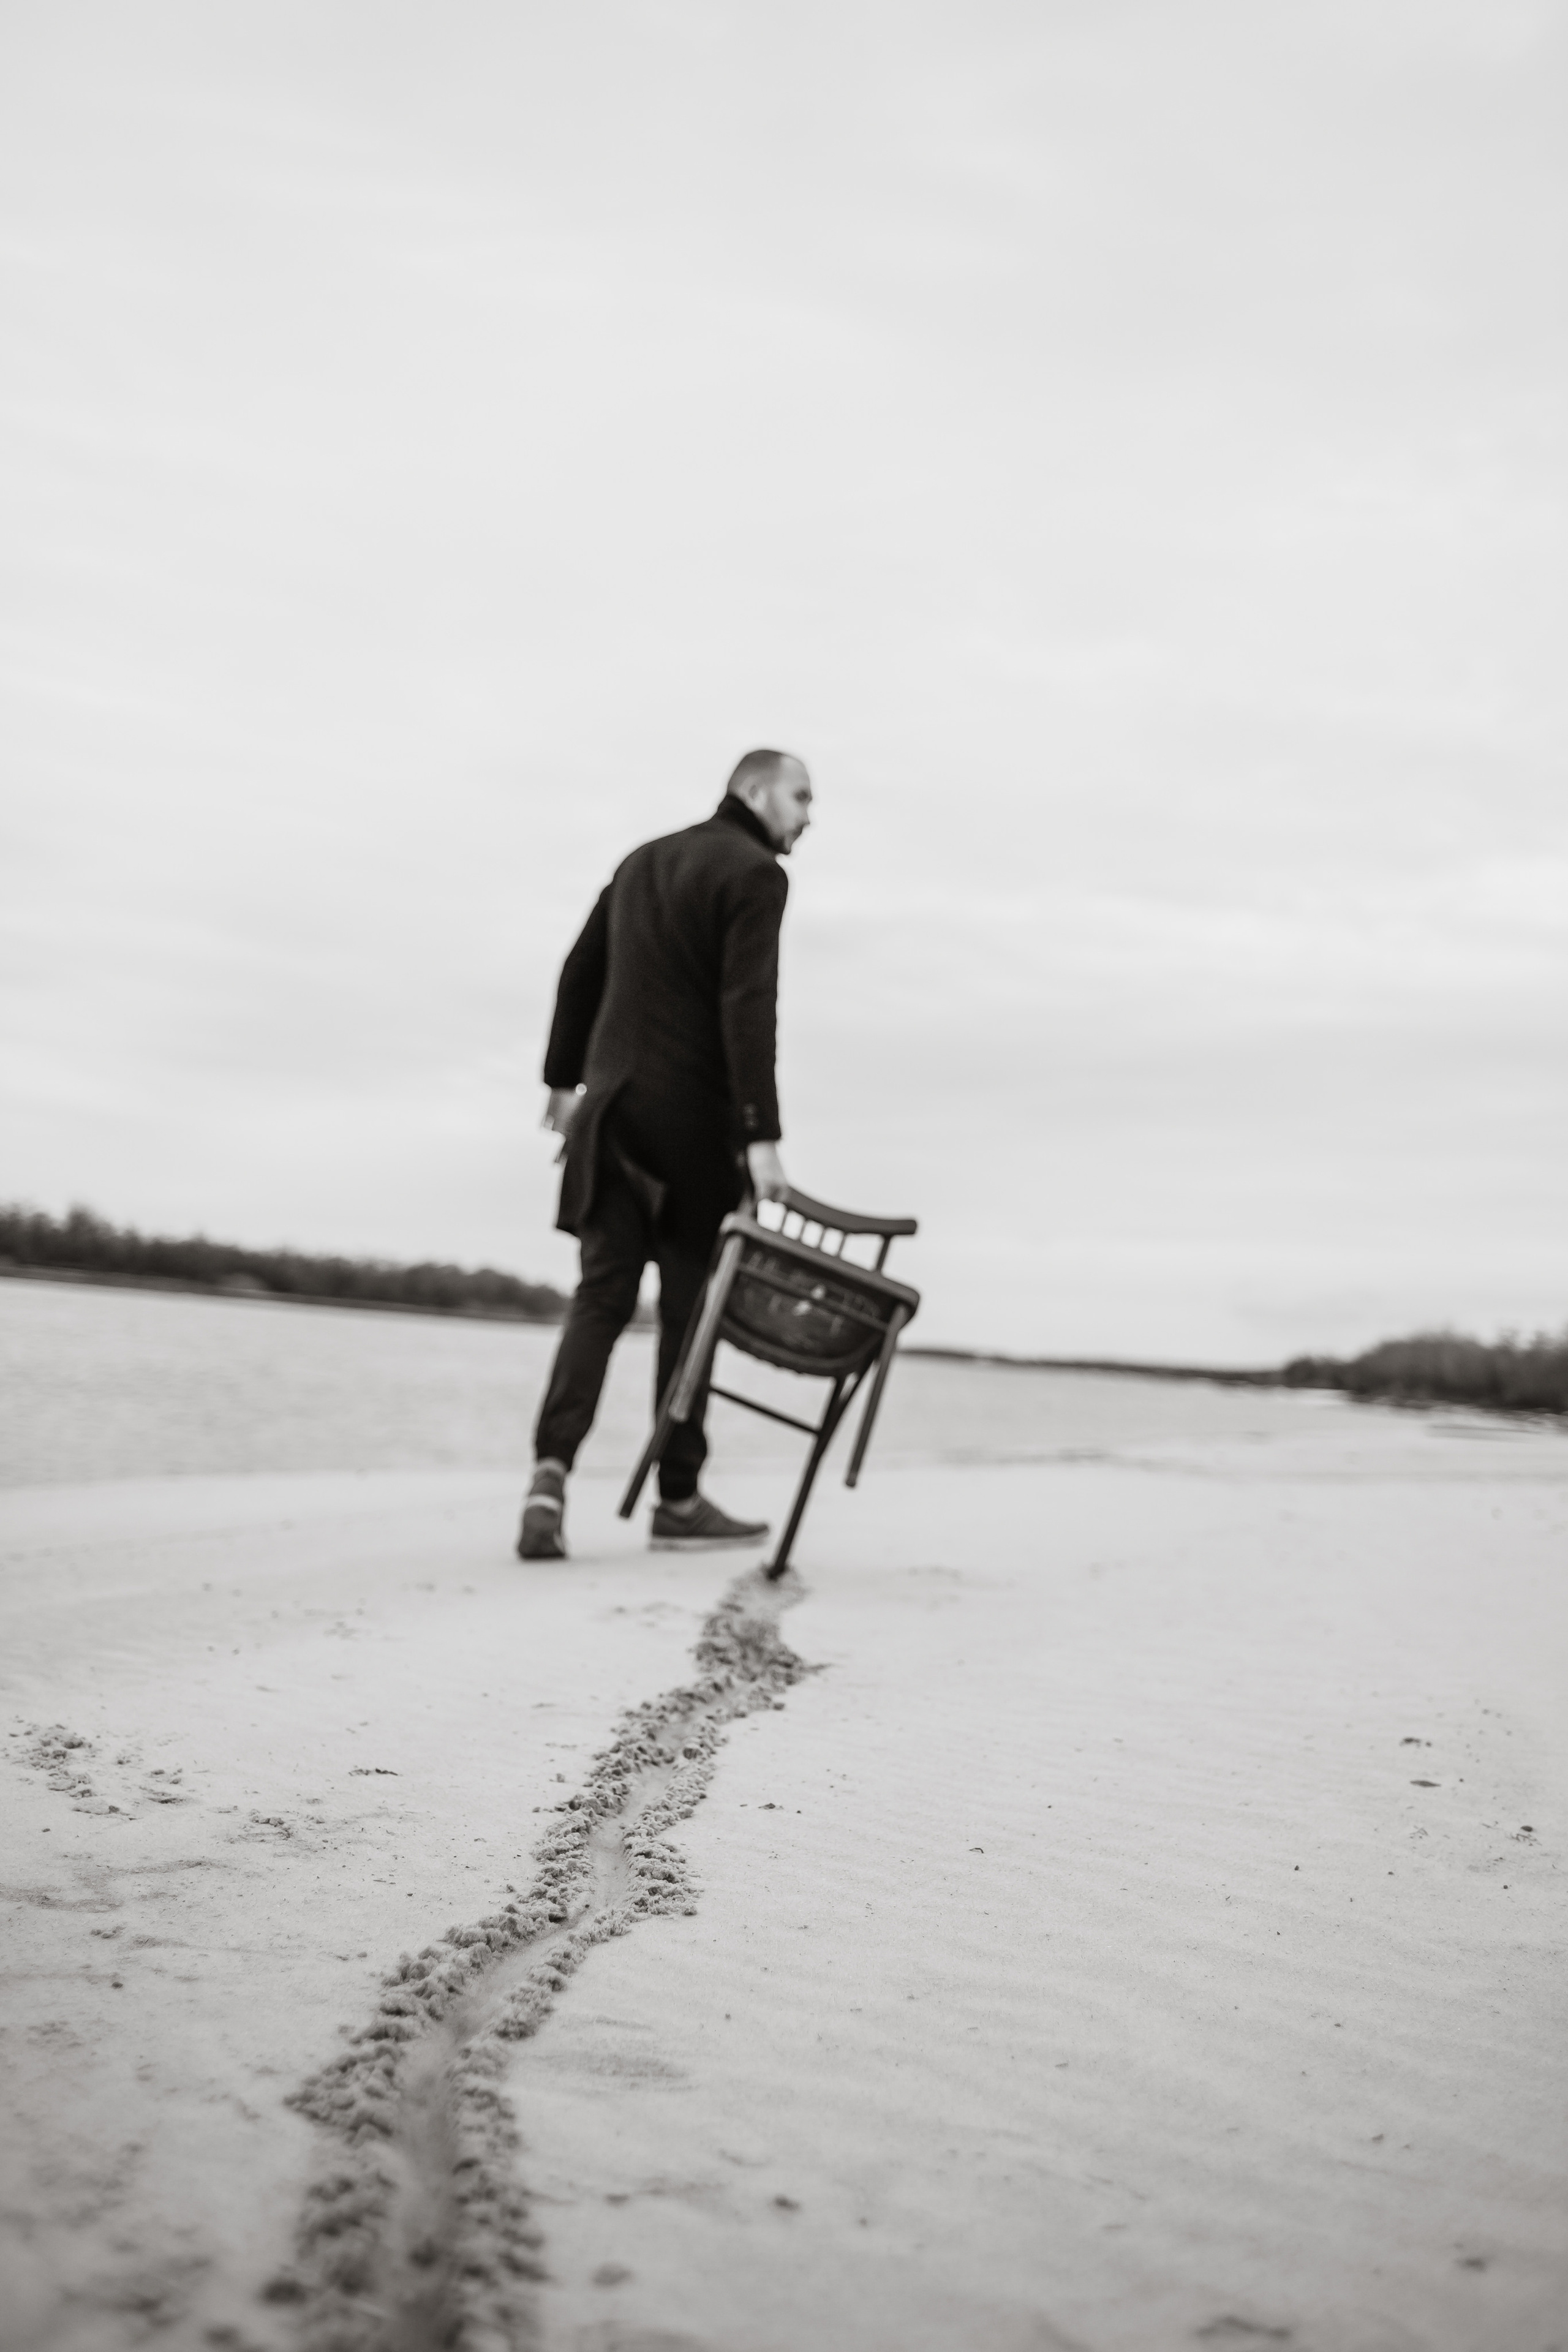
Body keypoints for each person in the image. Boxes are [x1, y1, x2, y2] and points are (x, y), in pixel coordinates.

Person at [518, 748, 813, 1560]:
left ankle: (548, 1477)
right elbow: (749, 1006)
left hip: (609, 1117)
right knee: (689, 1315)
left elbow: (581, 969)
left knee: (600, 1302)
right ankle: (676, 1501)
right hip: (691, 1132)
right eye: (799, 796)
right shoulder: (756, 874)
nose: (807, 815)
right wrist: (759, 1137)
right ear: (754, 791)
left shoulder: (642, 860)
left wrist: (561, 1082)